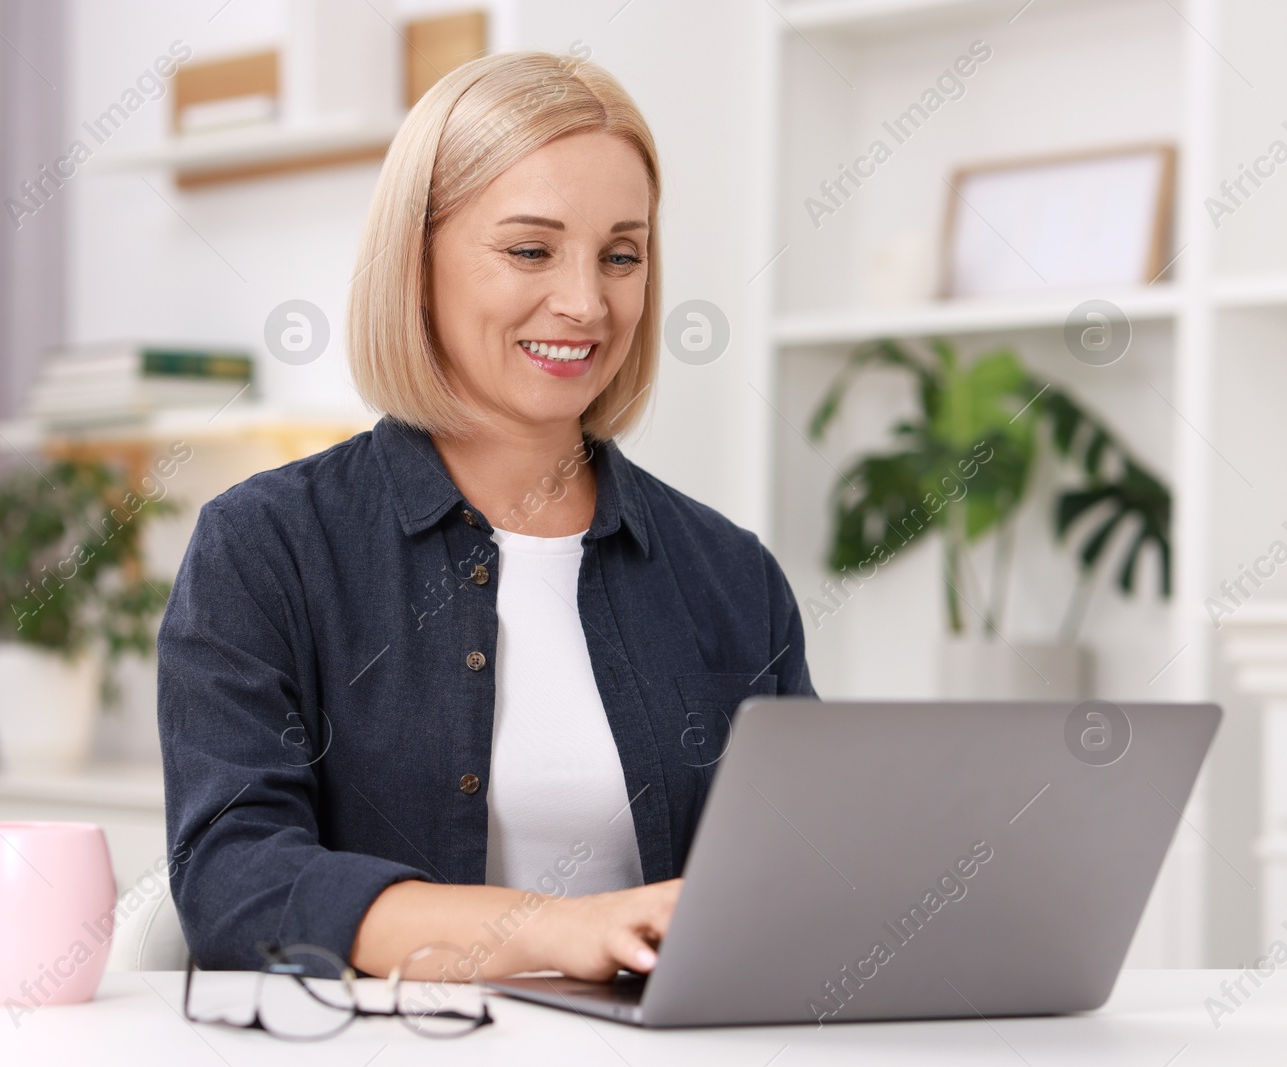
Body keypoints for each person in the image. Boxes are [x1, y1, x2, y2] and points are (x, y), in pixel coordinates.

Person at [157, 50, 816, 984]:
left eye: (621, 255)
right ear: (416, 260)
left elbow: (804, 874)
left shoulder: (731, 573)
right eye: (530, 249)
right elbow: (235, 883)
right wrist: (559, 930)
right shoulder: (267, 546)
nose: (586, 302)